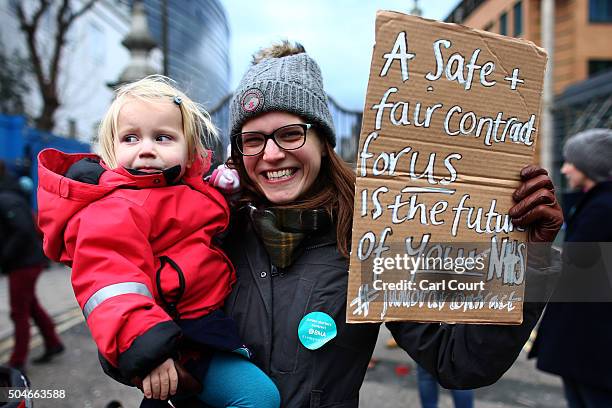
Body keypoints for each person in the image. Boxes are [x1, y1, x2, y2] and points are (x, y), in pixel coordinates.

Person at [220, 41, 564, 407]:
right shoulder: (215, 232)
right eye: (252, 141)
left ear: (323, 142)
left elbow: (458, 362)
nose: (272, 155)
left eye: (291, 134)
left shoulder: (370, 240)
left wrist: (528, 260)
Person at [36, 76, 280, 407]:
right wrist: (148, 348)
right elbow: (111, 283)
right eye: (131, 137)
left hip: (205, 324)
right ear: (112, 148)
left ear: (189, 148)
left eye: (163, 137)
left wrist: (228, 190)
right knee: (258, 397)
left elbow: (204, 216)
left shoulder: (182, 188)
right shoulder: (116, 207)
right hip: (175, 338)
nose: (146, 148)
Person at [529, 129, 612, 408]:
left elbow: (577, 270)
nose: (563, 169)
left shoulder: (602, 208)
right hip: (585, 341)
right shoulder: (593, 203)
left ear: (588, 167)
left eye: (570, 163)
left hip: (592, 343)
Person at [0, 160, 64, 372]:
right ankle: (53, 343)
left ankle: (17, 363)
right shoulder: (10, 193)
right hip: (25, 262)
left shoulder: (7, 198)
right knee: (31, 306)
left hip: (23, 264)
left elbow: (23, 230)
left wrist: (5, 257)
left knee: (19, 312)